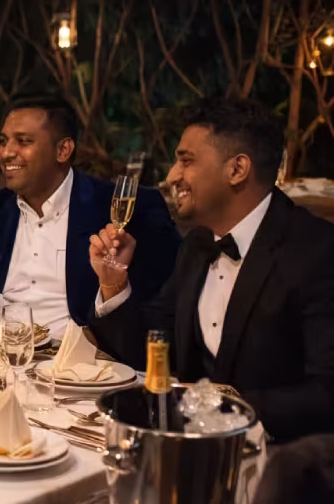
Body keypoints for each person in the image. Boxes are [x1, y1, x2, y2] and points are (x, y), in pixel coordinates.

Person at [90, 97, 334, 441]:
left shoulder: (318, 251)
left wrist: (227, 410)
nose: (173, 176)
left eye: (185, 161)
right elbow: (153, 349)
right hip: (190, 454)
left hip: (282, 466)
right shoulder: (197, 246)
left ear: (237, 169)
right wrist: (113, 283)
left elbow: (326, 392)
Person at [0, 94, 180, 342]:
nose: (6, 153)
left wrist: (114, 285)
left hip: (80, 370)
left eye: (23, 141)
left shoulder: (118, 211)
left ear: (63, 150)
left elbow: (158, 315)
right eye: (3, 141)